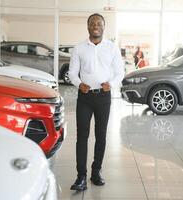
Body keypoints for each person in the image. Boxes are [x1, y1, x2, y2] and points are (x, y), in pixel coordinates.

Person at [68, 13, 124, 191]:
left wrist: (112, 84)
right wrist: (79, 84)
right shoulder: (79, 48)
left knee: (101, 136)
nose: (96, 26)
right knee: (82, 137)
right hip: (84, 98)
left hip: (103, 97)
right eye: (92, 23)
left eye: (99, 23)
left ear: (103, 27)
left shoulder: (112, 47)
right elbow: (72, 73)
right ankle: (81, 177)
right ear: (88, 26)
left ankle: (96, 172)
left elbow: (119, 72)